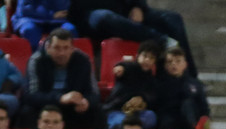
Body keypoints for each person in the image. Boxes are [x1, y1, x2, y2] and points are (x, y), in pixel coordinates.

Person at [69, 0, 197, 76]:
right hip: (90, 16)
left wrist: (137, 6)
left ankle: (190, 77)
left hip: (122, 12)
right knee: (105, 17)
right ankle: (163, 41)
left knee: (172, 19)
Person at [21, 27, 103, 129]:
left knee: (97, 112)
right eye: (57, 48)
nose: (61, 53)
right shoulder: (36, 60)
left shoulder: (83, 60)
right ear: (48, 47)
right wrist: (60, 98)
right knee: (26, 112)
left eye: (66, 48)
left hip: (72, 106)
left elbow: (94, 93)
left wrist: (86, 102)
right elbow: (30, 95)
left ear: (72, 49)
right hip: (45, 106)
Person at [102, 39, 160, 129]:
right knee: (122, 121)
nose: (147, 60)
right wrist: (120, 68)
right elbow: (124, 67)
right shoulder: (130, 68)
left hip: (138, 113)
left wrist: (142, 99)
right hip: (117, 110)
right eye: (145, 56)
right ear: (137, 56)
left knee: (151, 116)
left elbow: (152, 98)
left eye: (151, 58)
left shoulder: (153, 81)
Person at [156, 46, 210, 129]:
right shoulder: (160, 84)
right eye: (170, 62)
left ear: (185, 64)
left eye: (178, 61)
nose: (174, 64)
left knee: (188, 104)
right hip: (169, 123)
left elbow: (204, 107)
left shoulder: (195, 84)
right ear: (165, 66)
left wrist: (205, 118)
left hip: (189, 122)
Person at [11, 0, 76, 50]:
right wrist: (51, 15)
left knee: (69, 29)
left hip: (55, 21)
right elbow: (26, 9)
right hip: (29, 19)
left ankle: (65, 58)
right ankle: (36, 58)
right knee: (30, 30)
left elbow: (63, 8)